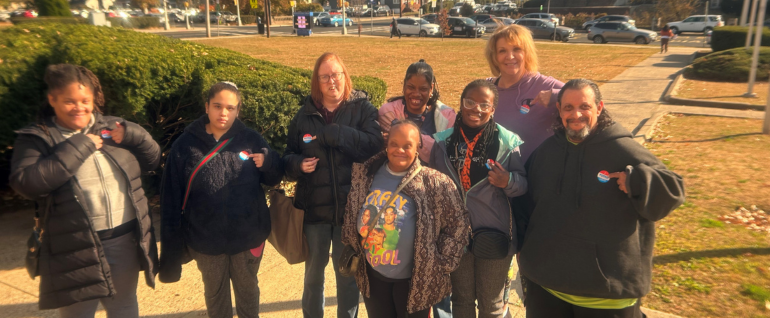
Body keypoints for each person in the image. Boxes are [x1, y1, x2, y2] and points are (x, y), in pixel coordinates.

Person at [518, 79, 685, 318]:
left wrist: (637, 181)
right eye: (568, 107)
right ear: (559, 110)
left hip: (605, 294)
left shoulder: (621, 148)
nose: (576, 114)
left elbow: (674, 189)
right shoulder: (546, 151)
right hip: (547, 286)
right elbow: (526, 204)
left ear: (599, 108)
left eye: (584, 106)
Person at [9, 64, 160, 316]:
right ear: (52, 100)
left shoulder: (113, 128)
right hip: (74, 246)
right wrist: (80, 145)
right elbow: (27, 183)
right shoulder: (39, 138)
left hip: (123, 239)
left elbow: (152, 160)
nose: (79, 107)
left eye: (85, 100)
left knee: (124, 305)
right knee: (77, 313)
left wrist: (134, 135)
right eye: (69, 101)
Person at [158, 82, 284, 318]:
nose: (223, 113)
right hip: (206, 241)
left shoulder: (251, 139)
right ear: (207, 107)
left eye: (230, 108)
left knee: (248, 294)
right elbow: (171, 200)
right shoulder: (185, 146)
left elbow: (275, 176)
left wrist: (268, 162)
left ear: (238, 111)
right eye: (217, 106)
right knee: (215, 297)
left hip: (248, 238)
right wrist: (170, 256)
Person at [283, 52, 383, 318]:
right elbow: (287, 155)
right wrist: (297, 165)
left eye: (336, 75)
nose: (331, 82)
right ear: (317, 81)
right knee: (313, 276)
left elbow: (374, 146)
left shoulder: (362, 109)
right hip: (314, 212)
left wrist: (338, 133)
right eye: (324, 76)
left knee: (348, 275)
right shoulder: (303, 116)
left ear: (345, 76)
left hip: (350, 212)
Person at [342, 120, 470, 318]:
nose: (399, 150)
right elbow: (351, 212)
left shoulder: (435, 182)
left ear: (418, 147)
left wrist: (441, 262)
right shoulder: (366, 174)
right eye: (394, 144)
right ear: (386, 144)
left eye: (407, 145)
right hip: (373, 276)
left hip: (414, 281)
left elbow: (459, 223)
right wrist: (352, 240)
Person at [430, 79, 527, 318]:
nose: (477, 109)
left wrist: (508, 182)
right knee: (461, 302)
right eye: (470, 102)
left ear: (493, 109)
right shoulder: (443, 142)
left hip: (494, 235)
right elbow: (432, 185)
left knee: (491, 305)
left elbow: (524, 185)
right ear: (461, 104)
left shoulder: (507, 142)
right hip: (455, 236)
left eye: (485, 104)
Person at [485, 24, 564, 163]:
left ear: (527, 53)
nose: (510, 56)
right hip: (496, 178)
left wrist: (558, 96)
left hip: (537, 177)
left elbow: (591, 101)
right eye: (502, 51)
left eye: (517, 49)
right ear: (495, 57)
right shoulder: (486, 89)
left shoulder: (545, 85)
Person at [379, 59, 456, 164]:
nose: (416, 94)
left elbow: (446, 155)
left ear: (431, 88)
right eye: (411, 87)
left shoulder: (447, 117)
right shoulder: (388, 112)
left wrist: (402, 136)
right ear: (404, 85)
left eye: (423, 89)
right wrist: (433, 144)